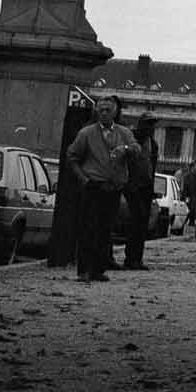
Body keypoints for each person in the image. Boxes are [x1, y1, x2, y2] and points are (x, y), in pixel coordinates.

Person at [66, 95, 140, 283]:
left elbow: (137, 149)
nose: (104, 113)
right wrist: (83, 179)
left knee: (106, 230)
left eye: (108, 110)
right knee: (88, 228)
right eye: (101, 110)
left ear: (115, 112)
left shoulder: (124, 133)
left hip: (114, 187)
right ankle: (84, 270)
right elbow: (72, 156)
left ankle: (98, 269)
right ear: (96, 112)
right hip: (94, 186)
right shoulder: (86, 133)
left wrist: (125, 149)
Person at [123, 112, 159, 270]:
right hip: (132, 185)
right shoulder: (132, 139)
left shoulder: (153, 144)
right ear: (141, 124)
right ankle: (131, 258)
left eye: (153, 124)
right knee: (136, 220)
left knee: (142, 223)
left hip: (145, 187)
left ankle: (137, 258)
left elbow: (152, 167)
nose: (151, 127)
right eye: (148, 124)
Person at [180, 161, 196, 237]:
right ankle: (183, 229)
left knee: (193, 214)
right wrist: (185, 197)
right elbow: (185, 187)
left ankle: (189, 232)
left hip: (194, 197)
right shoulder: (188, 176)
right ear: (193, 167)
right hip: (189, 197)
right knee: (189, 213)